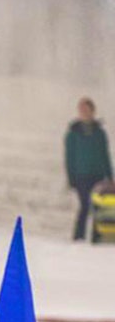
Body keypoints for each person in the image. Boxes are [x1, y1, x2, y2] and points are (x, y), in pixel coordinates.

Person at [65, 97, 113, 242]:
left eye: (86, 110)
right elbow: (69, 157)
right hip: (81, 175)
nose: (84, 112)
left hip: (97, 175)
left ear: (92, 111)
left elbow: (105, 155)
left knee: (97, 206)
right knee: (85, 205)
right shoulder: (73, 133)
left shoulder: (99, 133)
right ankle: (78, 235)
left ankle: (96, 236)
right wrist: (71, 178)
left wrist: (110, 176)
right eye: (82, 110)